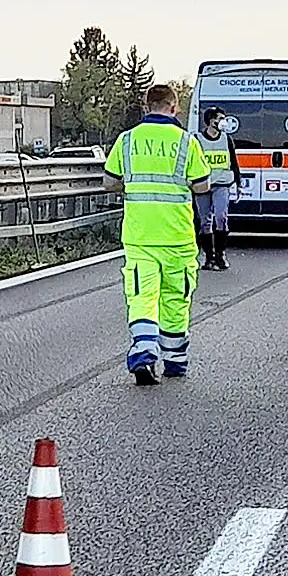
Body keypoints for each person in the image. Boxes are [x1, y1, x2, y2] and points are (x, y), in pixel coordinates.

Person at [104, 84, 212, 385]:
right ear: (174, 107)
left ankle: (144, 353)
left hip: (139, 236)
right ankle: (175, 361)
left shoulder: (126, 141)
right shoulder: (186, 142)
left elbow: (109, 182)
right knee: (176, 298)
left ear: (145, 106)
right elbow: (202, 186)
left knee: (141, 297)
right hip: (177, 237)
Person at [193, 105, 240, 271]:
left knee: (221, 217)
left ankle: (221, 254)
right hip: (202, 185)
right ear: (211, 121)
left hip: (222, 184)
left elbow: (234, 161)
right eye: (220, 119)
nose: (223, 122)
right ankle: (209, 257)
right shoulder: (197, 139)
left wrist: (238, 183)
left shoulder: (226, 139)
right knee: (205, 221)